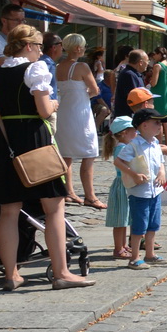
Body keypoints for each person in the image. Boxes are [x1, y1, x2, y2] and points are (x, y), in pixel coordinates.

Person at [0, 25, 93, 289]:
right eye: (39, 46)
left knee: (8, 211)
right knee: (54, 207)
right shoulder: (34, 70)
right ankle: (61, 272)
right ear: (28, 46)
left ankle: (11, 274)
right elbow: (42, 110)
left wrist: (4, 116)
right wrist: (54, 104)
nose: (41, 52)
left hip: (2, 145)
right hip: (33, 142)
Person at [53, 33, 104, 208]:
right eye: (83, 45)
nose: (84, 48)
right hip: (80, 114)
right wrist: (84, 94)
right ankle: (90, 195)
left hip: (63, 114)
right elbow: (95, 89)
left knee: (66, 155)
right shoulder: (81, 66)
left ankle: (68, 191)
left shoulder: (57, 67)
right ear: (77, 48)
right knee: (88, 154)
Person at [119, 106, 167, 270]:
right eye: (156, 122)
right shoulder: (134, 145)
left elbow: (160, 161)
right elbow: (119, 162)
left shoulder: (155, 143)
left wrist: (162, 172)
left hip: (155, 190)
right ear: (144, 125)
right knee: (139, 225)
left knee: (153, 224)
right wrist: (133, 174)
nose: (159, 126)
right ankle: (134, 258)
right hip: (140, 192)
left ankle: (150, 254)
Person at [103, 116, 136, 260]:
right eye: (133, 130)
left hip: (125, 184)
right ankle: (118, 248)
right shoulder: (122, 148)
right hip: (122, 185)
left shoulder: (123, 146)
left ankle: (123, 245)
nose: (136, 133)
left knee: (125, 218)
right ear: (124, 133)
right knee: (120, 220)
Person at [150, 50, 167, 138]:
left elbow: (154, 83)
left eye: (155, 54)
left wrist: (150, 81)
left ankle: (160, 144)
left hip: (158, 94)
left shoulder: (157, 66)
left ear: (159, 54)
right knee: (166, 121)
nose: (154, 56)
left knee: (158, 121)